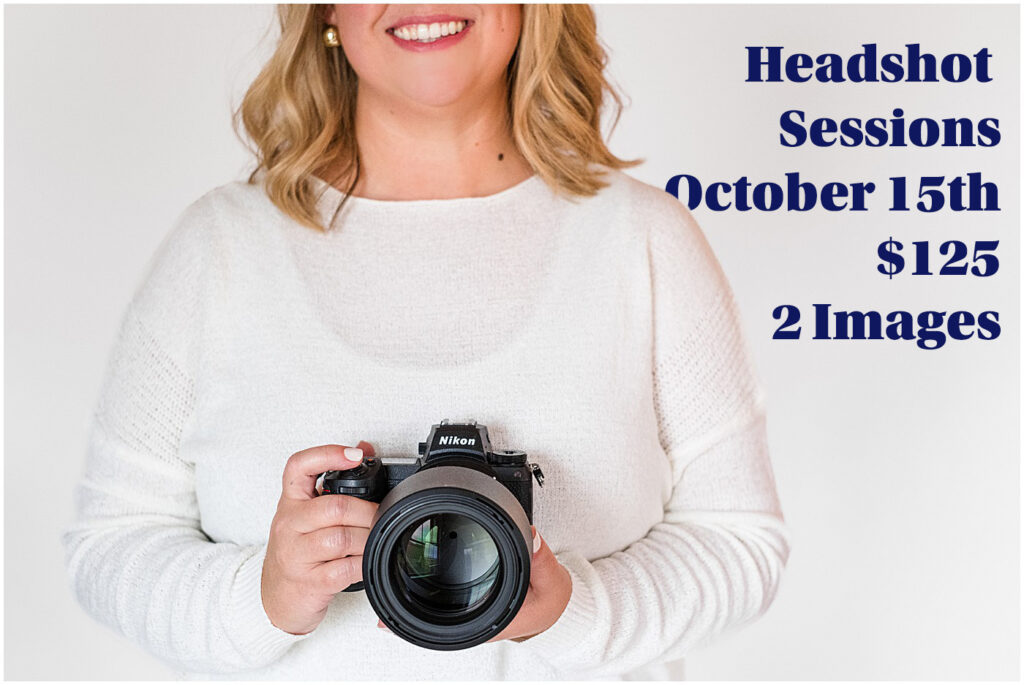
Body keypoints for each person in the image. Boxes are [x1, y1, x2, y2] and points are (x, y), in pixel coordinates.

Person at [63, 4, 789, 680]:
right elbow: (110, 547)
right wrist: (266, 593)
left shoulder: (643, 239)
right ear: (325, 13)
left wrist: (571, 612)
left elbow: (740, 541)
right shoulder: (220, 249)